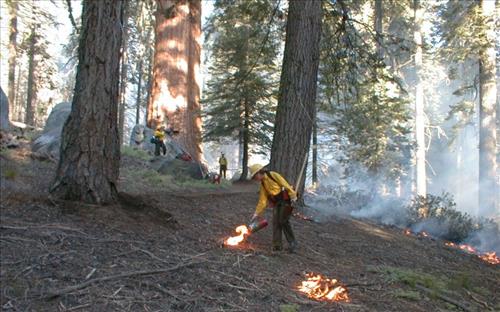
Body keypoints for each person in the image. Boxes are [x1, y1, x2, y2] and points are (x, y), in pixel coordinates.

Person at [248, 164, 298, 253]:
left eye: (255, 176)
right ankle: (277, 246)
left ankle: (292, 243)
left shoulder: (273, 175)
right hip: (276, 203)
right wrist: (256, 214)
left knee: (283, 221)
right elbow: (262, 200)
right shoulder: (263, 184)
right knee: (276, 222)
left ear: (259, 172)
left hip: (285, 201)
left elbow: (285, 185)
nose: (255, 179)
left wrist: (293, 195)